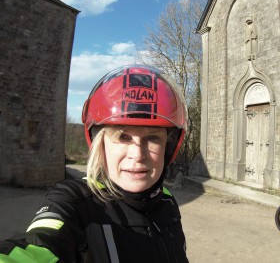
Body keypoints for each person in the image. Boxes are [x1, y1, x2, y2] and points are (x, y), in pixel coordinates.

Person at [0, 64, 189, 262]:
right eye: (123, 137)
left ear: (168, 147)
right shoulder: (75, 202)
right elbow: (38, 246)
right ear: (101, 144)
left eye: (152, 138)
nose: (138, 154)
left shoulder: (166, 200)